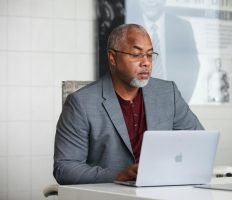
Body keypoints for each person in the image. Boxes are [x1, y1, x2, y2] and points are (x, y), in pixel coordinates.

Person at [53, 24, 204, 185]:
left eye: (149, 54)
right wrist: (119, 175)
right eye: (136, 54)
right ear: (112, 57)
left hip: (161, 189)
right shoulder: (81, 103)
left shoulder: (168, 93)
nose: (146, 62)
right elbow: (65, 168)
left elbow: (198, 143)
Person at [126, 0, 200, 103]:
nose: (150, 2)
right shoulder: (125, 30)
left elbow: (192, 67)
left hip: (172, 105)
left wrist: (179, 103)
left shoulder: (182, 27)